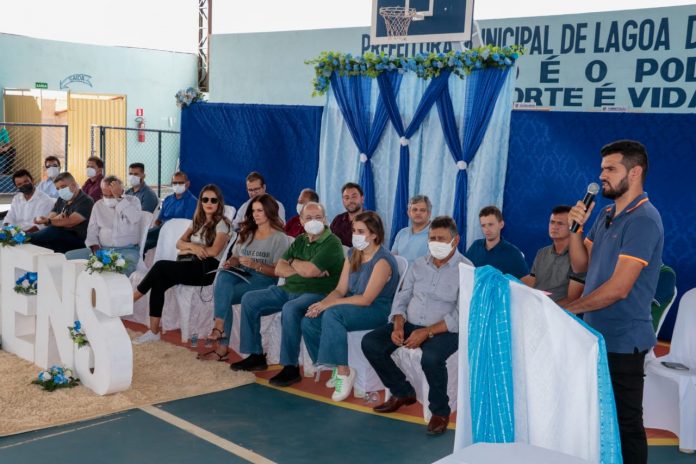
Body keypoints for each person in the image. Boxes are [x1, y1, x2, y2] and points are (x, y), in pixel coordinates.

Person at [565, 140, 663, 464]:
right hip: (595, 335)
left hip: (623, 341)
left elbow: (619, 288)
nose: (601, 175)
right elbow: (582, 265)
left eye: (610, 169)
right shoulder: (606, 213)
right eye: (602, 168)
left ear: (634, 173)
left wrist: (568, 309)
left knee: (625, 423)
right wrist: (575, 231)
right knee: (599, 420)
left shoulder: (643, 219)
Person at [362, 216, 473, 435]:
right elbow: (402, 296)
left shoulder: (466, 270)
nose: (436, 243)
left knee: (431, 358)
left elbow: (461, 314)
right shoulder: (419, 264)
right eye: (432, 238)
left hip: (444, 329)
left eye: (442, 239)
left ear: (456, 240)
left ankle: (440, 411)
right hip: (410, 323)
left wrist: (427, 332)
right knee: (371, 342)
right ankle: (402, 391)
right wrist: (398, 323)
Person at [230, 202, 344, 388]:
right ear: (301, 220)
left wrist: (295, 263)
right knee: (249, 299)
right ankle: (255, 355)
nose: (314, 221)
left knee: (290, 309)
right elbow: (279, 268)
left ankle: (290, 368)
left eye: (318, 217)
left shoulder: (332, 242)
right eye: (309, 218)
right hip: (289, 288)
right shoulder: (300, 240)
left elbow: (309, 271)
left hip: (317, 292)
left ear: (325, 219)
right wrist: (301, 267)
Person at [301, 211, 400, 401]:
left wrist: (331, 305)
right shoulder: (353, 254)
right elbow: (340, 289)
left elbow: (366, 299)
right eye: (354, 230)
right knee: (309, 320)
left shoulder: (383, 260)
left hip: (376, 309)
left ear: (374, 234)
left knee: (333, 314)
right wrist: (322, 304)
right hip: (352, 304)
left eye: (361, 231)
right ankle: (334, 366)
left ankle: (344, 372)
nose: (356, 235)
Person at [133, 184, 232, 344]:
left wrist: (190, 249)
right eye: (205, 199)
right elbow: (179, 243)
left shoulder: (222, 224)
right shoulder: (197, 221)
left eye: (213, 200)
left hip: (207, 270)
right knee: (159, 282)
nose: (209, 203)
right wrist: (193, 248)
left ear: (219, 203)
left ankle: (133, 297)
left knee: (160, 266)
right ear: (200, 202)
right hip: (190, 264)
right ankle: (153, 332)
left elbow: (214, 252)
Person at [199, 194, 292, 361]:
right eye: (254, 211)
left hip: (264, 280)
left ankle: (221, 347)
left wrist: (255, 265)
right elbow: (236, 256)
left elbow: (278, 271)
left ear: (269, 212)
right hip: (241, 274)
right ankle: (219, 327)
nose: (255, 214)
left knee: (223, 296)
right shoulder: (247, 232)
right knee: (223, 277)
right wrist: (230, 262)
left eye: (260, 211)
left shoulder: (280, 238)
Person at [65, 176, 142, 276]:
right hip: (103, 250)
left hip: (127, 251)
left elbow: (135, 217)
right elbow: (92, 232)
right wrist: (96, 250)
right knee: (69, 257)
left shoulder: (133, 201)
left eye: (112, 195)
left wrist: (119, 198)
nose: (108, 199)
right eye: (105, 195)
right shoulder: (98, 205)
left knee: (120, 272)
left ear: (121, 191)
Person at [521, 205, 585, 305]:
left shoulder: (579, 258)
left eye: (560, 223)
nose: (554, 227)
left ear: (572, 227)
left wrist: (544, 309)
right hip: (533, 305)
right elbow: (532, 282)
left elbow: (573, 299)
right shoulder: (542, 252)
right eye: (552, 222)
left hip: (558, 311)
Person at [29, 172, 94, 253]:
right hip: (61, 236)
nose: (60, 191)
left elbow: (70, 222)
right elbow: (51, 217)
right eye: (58, 189)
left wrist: (51, 221)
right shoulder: (61, 199)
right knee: (41, 245)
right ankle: (26, 239)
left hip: (78, 240)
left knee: (53, 231)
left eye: (63, 187)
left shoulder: (86, 201)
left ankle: (26, 238)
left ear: (73, 185)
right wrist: (54, 220)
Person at [465, 205, 529, 279]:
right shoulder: (475, 247)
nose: (487, 229)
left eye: (490, 225)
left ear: (501, 224)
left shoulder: (513, 253)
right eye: (483, 225)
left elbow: (526, 282)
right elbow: (464, 272)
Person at [143, 171, 198, 253]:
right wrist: (156, 226)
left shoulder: (192, 201)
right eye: (175, 183)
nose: (177, 185)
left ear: (187, 184)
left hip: (177, 232)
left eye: (180, 183)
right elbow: (159, 220)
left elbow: (186, 224)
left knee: (144, 238)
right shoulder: (168, 199)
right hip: (162, 230)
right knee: (144, 242)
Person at [391, 195, 432, 263]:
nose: (418, 213)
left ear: (429, 214)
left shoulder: (435, 236)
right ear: (409, 213)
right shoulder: (401, 233)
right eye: (414, 210)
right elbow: (392, 258)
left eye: (422, 210)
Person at [330, 182, 364, 247]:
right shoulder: (338, 219)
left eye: (354, 197)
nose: (350, 201)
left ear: (362, 199)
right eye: (346, 198)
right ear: (343, 201)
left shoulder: (370, 220)